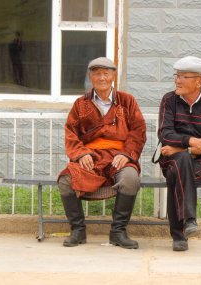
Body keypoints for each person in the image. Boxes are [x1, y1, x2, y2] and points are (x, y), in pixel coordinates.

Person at [58, 57, 146, 249]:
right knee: (66, 180)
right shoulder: (80, 104)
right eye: (97, 73)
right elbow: (71, 133)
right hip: (92, 157)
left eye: (106, 73)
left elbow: (138, 131)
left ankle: (118, 232)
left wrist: (127, 154)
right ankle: (78, 231)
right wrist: (81, 154)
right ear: (90, 77)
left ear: (113, 76)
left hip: (119, 156)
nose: (102, 77)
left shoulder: (127, 101)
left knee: (130, 178)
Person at [157, 56, 201, 251]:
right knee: (180, 163)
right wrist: (193, 143)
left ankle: (179, 235)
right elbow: (165, 133)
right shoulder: (169, 100)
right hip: (171, 160)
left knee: (178, 173)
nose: (177, 80)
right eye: (176, 75)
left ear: (199, 81)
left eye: (183, 76)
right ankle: (189, 219)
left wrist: (183, 148)